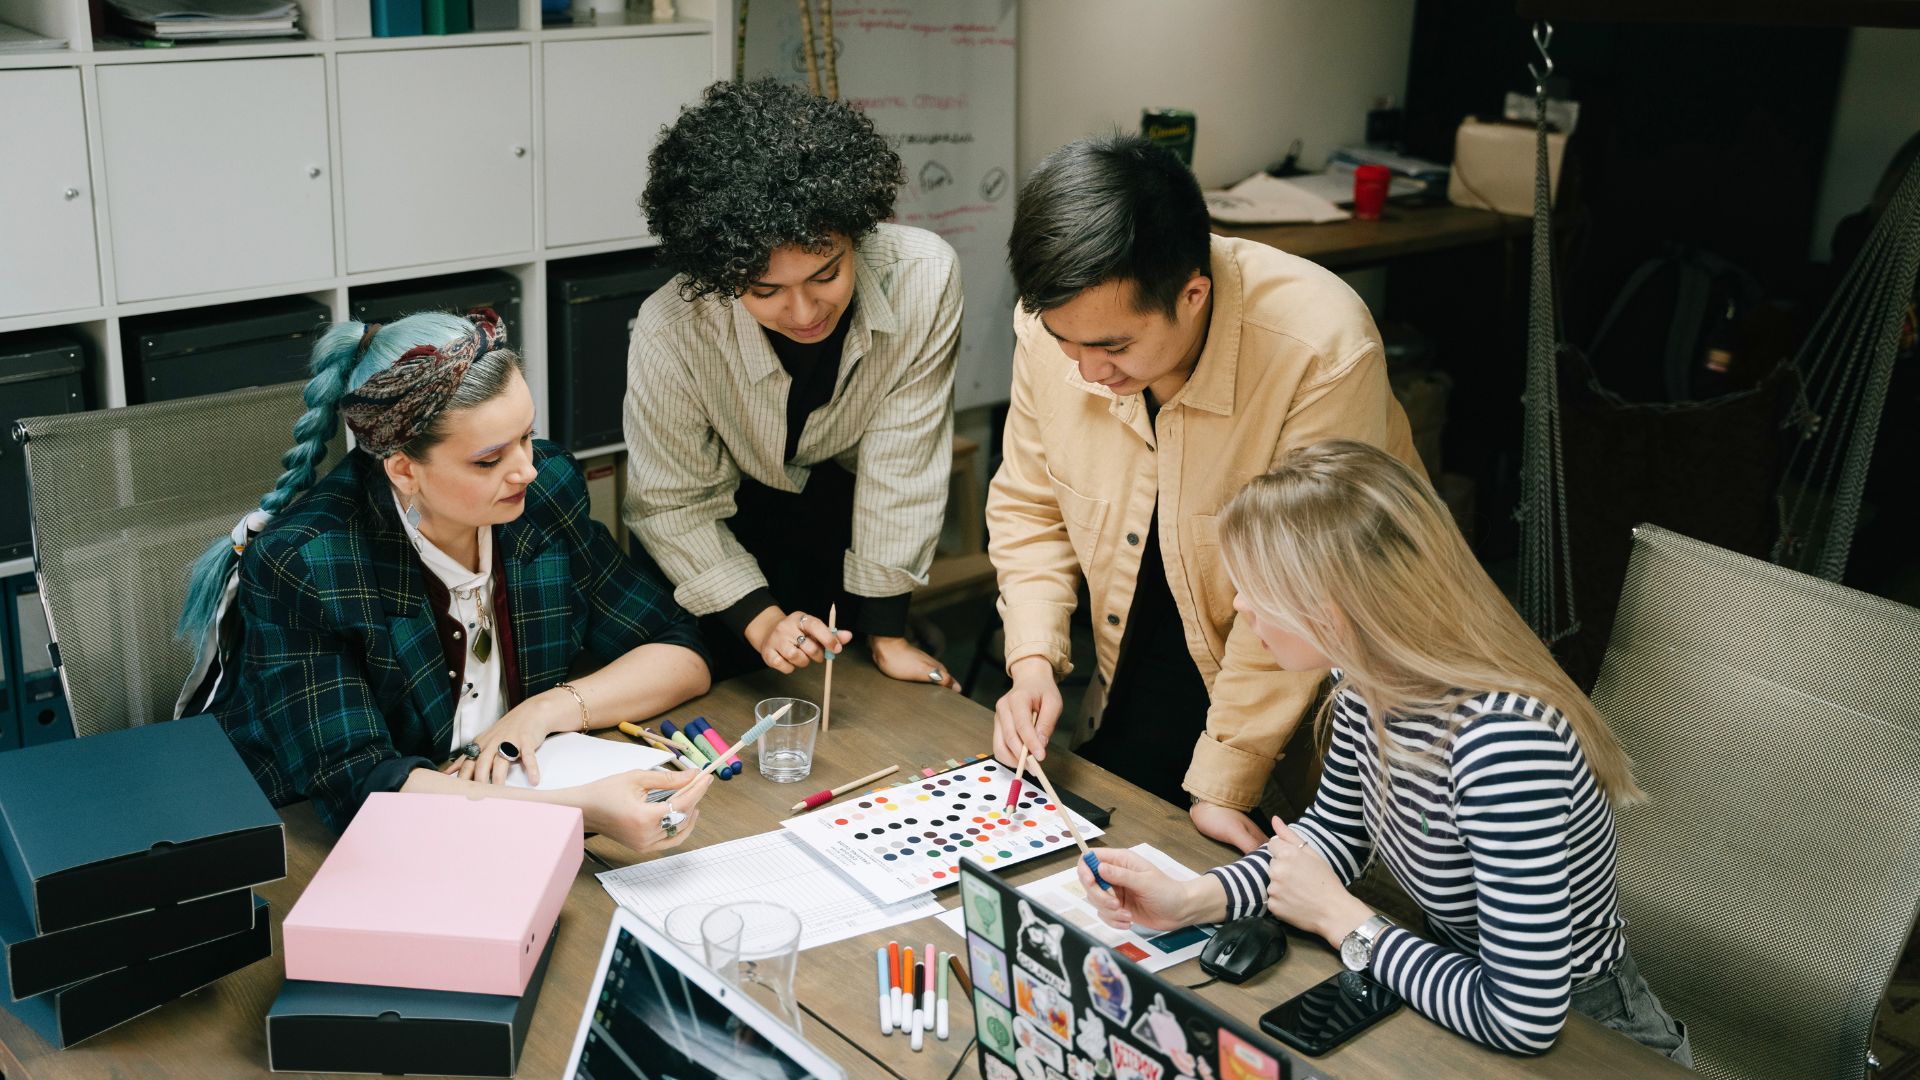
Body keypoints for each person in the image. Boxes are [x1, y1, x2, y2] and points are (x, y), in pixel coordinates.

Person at [1071, 441, 1692, 1064]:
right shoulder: (1366, 681)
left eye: (1257, 586)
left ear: (1333, 611)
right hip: (1447, 984)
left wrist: (1341, 918)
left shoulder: (1503, 745)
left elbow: (1523, 1016)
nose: (1240, 603)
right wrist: (1191, 899)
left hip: (1590, 1040)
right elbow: (1337, 835)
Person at [987, 134, 1421, 850]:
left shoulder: (1320, 349)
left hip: (1310, 691)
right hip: (1139, 651)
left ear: (1193, 295)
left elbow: (1303, 589)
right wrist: (1031, 659)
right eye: (1067, 343)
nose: (1088, 371)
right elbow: (1032, 506)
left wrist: (1226, 779)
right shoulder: (1056, 326)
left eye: (1114, 347)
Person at [177, 310, 715, 855]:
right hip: (311, 841)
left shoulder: (543, 494)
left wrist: (542, 711)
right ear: (404, 470)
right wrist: (581, 810)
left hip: (497, 805)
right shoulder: (308, 563)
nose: (526, 469)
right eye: (489, 460)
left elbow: (679, 652)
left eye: (527, 436)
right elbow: (362, 787)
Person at [625, 77, 964, 691]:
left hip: (835, 512)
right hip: (707, 536)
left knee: (842, 694)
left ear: (857, 233)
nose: (805, 313)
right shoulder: (671, 328)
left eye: (826, 275)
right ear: (722, 274)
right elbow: (673, 502)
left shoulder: (924, 277)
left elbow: (903, 461)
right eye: (765, 290)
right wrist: (762, 622)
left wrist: (887, 633)